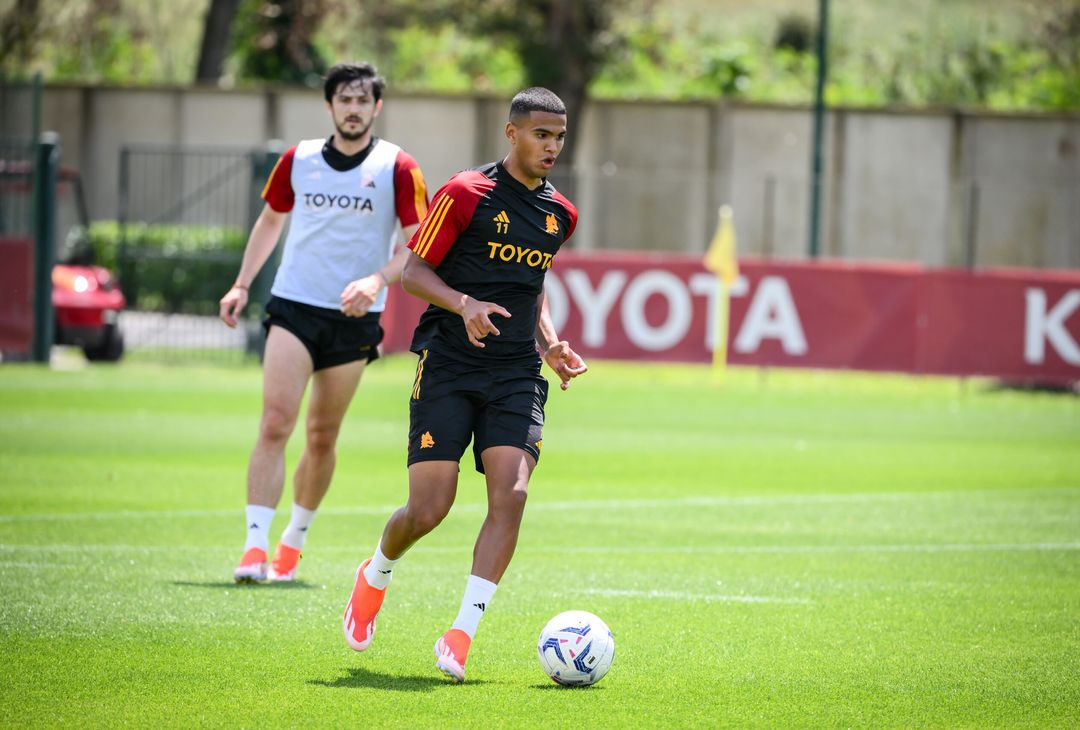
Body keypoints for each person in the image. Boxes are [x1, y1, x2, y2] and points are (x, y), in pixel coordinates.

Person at [341, 87, 588, 682]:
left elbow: (534, 285)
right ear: (512, 133)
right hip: (448, 363)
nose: (551, 146)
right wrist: (464, 303)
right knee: (430, 507)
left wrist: (549, 342)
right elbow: (414, 272)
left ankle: (460, 634)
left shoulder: (561, 214)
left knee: (514, 494)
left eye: (558, 136)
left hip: (515, 373)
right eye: (540, 134)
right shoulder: (464, 192)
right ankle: (374, 574)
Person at [219, 62, 429, 584]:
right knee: (275, 422)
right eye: (344, 99)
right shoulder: (299, 159)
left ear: (376, 107)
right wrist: (242, 283)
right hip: (294, 305)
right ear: (330, 105)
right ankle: (252, 547)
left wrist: (376, 281)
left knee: (320, 435)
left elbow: (417, 248)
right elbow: (270, 221)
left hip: (355, 317)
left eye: (363, 100)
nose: (353, 108)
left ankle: (293, 542)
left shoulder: (398, 167)